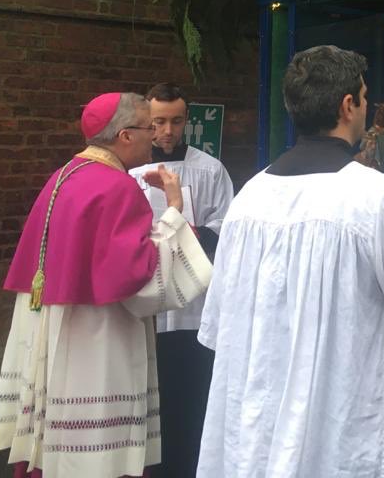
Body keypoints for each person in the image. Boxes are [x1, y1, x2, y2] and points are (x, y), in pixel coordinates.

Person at [196, 45, 384, 478]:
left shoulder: (248, 198)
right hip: (348, 433)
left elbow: (222, 326)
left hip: (259, 434)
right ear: (349, 105)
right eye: (364, 97)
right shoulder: (375, 199)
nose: (365, 106)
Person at [0, 92, 212, 478]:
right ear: (125, 135)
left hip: (60, 327)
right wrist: (176, 210)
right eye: (149, 127)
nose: (156, 136)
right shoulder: (115, 187)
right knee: (96, 451)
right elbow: (143, 283)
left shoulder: (64, 175)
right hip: (97, 338)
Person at [129, 83, 234, 478]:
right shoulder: (133, 173)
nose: (167, 131)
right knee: (150, 397)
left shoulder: (210, 169)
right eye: (158, 122)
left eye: (175, 121)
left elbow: (226, 225)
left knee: (191, 394)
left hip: (194, 306)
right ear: (146, 122)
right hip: (148, 306)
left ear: (186, 120)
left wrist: (189, 233)